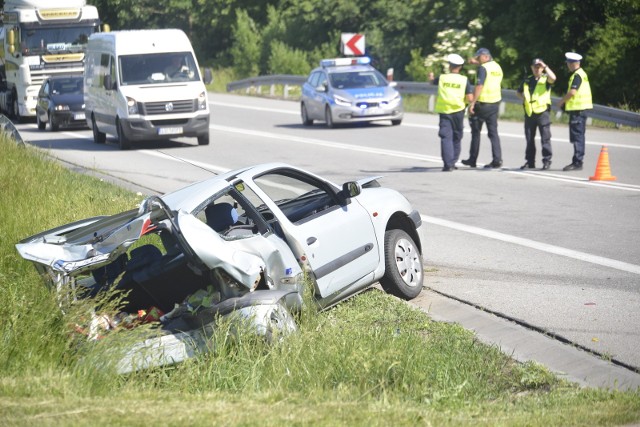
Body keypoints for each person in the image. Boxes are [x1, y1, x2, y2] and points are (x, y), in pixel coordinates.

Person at [429, 53, 474, 171]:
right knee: (457, 137)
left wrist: (431, 77)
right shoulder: (464, 80)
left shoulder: (442, 78)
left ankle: (447, 164)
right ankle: (453, 161)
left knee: (446, 137)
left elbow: (432, 82)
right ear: (460, 67)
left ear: (450, 66)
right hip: (458, 112)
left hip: (444, 112)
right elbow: (470, 98)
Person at [462, 47, 504, 169]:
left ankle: (472, 159)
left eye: (478, 57)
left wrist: (472, 103)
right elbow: (488, 72)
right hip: (494, 104)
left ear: (485, 56)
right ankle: (497, 160)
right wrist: (477, 62)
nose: (477, 59)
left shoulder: (483, 68)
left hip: (482, 104)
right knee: (493, 133)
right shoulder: (497, 67)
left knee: (476, 132)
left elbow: (479, 85)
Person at [516, 58, 556, 170]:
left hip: (542, 113)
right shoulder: (527, 80)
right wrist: (524, 98)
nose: (537, 69)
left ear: (542, 68)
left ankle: (547, 161)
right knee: (529, 139)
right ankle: (530, 162)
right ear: (532, 68)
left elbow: (553, 78)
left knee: (545, 138)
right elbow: (518, 92)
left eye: (539, 67)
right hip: (529, 113)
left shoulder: (545, 79)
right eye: (535, 67)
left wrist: (546, 66)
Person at [558, 52, 593, 171]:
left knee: (577, 137)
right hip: (580, 110)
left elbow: (572, 92)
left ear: (573, 63)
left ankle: (577, 162)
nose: (567, 65)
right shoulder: (581, 74)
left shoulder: (577, 75)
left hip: (578, 111)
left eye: (568, 63)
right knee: (579, 136)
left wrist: (562, 101)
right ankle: (577, 161)